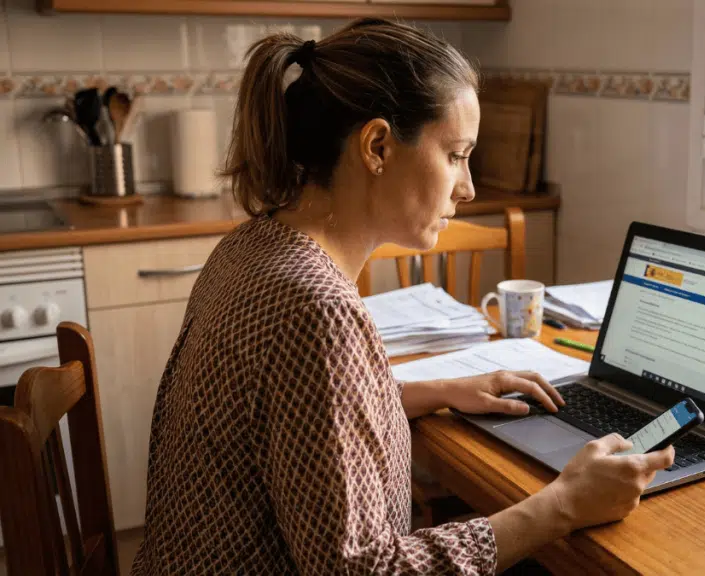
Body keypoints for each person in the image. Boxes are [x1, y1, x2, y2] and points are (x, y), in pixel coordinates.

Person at [130, 18, 674, 575]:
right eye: (456, 155)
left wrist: (430, 390)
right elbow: (364, 571)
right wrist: (562, 504)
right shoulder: (317, 310)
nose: (468, 188)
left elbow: (293, 424)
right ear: (378, 146)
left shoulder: (253, 246)